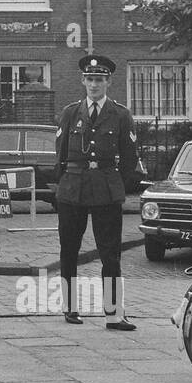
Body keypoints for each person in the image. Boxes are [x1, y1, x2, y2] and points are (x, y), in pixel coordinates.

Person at [53, 55, 140, 330]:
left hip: (106, 189)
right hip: (73, 189)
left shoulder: (121, 114)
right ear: (83, 81)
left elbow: (129, 158)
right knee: (69, 250)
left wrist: (114, 183)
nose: (94, 85)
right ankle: (69, 307)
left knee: (110, 253)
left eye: (99, 80)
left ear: (108, 82)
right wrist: (66, 182)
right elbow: (60, 155)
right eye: (90, 79)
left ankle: (114, 314)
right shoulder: (70, 113)